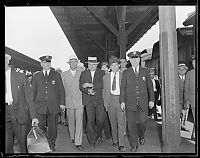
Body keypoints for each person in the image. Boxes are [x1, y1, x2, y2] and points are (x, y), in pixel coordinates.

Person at [119, 51, 154, 152]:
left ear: (139, 60)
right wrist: (122, 101)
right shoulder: (126, 72)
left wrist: (152, 99)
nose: (134, 61)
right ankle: (134, 145)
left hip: (143, 103)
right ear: (130, 60)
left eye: (136, 59)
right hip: (130, 103)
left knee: (142, 122)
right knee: (131, 124)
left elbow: (150, 87)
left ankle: (141, 135)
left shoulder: (145, 71)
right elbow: (123, 88)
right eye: (132, 59)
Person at [5, 54, 39, 153]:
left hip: (19, 113)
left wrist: (34, 116)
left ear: (8, 61)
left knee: (23, 143)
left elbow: (29, 98)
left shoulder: (20, 76)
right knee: (6, 146)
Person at [32, 55, 65, 152]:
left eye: (49, 62)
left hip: (53, 105)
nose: (47, 64)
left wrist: (62, 103)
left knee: (53, 127)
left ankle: (52, 144)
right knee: (40, 126)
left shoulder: (56, 75)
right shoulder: (36, 76)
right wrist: (32, 106)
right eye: (45, 63)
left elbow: (61, 90)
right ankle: (43, 144)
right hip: (40, 106)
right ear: (41, 64)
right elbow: (33, 92)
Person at [79, 56, 106, 148]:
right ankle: (92, 140)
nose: (91, 66)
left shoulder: (102, 73)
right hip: (88, 100)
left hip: (99, 100)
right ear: (87, 64)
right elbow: (81, 86)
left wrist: (91, 85)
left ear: (97, 65)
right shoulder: (83, 73)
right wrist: (88, 91)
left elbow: (103, 84)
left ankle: (98, 134)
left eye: (94, 64)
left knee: (100, 120)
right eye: (90, 64)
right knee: (90, 121)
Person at [103, 56, 126, 151]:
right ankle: (115, 140)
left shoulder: (123, 75)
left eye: (116, 65)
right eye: (113, 65)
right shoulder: (105, 77)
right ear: (110, 67)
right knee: (112, 123)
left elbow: (126, 90)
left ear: (119, 65)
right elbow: (104, 92)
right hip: (110, 101)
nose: (115, 67)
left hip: (120, 100)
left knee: (121, 123)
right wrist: (106, 105)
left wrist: (124, 101)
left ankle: (121, 144)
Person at [61, 55, 84, 151]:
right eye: (72, 62)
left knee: (79, 122)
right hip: (68, 100)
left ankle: (78, 142)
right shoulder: (63, 74)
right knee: (71, 120)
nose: (73, 63)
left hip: (79, 100)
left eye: (75, 61)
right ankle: (72, 137)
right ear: (69, 63)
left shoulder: (82, 73)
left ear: (77, 63)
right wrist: (62, 102)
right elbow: (61, 89)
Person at [100, 61, 112, 141]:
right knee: (100, 118)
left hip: (109, 100)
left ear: (109, 69)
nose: (103, 69)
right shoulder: (99, 77)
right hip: (100, 100)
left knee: (109, 118)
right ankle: (99, 135)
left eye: (105, 68)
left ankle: (108, 134)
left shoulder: (111, 77)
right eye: (102, 68)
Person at [184, 55, 196, 141]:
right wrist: (187, 100)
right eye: (193, 62)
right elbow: (186, 88)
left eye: (195, 62)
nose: (194, 64)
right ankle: (194, 134)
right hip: (193, 100)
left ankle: (193, 134)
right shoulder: (189, 73)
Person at [177, 63, 189, 131]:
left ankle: (183, 125)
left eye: (183, 69)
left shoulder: (188, 77)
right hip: (178, 99)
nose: (181, 70)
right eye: (180, 69)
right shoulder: (175, 78)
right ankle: (178, 125)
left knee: (185, 113)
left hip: (186, 99)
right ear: (178, 70)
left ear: (185, 70)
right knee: (178, 113)